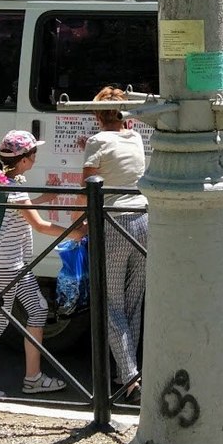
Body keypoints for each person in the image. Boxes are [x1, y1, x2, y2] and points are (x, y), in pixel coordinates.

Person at [0, 130, 70, 399]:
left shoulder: (5, 180)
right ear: (24, 160)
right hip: (6, 263)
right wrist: (77, 231)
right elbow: (39, 225)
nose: (36, 157)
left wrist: (41, 200)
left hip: (13, 262)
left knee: (37, 309)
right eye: (34, 153)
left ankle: (33, 378)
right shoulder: (15, 187)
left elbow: (17, 209)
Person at [82, 86, 148, 399]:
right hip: (144, 222)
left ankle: (130, 378)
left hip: (114, 222)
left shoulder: (97, 141)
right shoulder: (133, 138)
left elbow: (89, 186)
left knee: (110, 303)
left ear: (96, 114)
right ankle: (129, 372)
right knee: (134, 302)